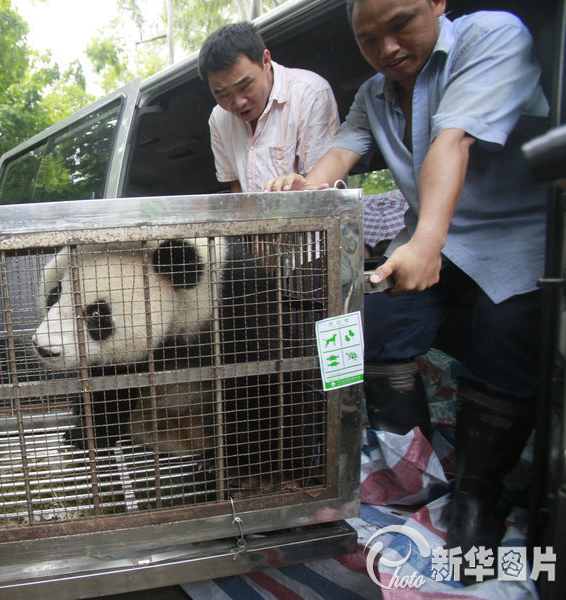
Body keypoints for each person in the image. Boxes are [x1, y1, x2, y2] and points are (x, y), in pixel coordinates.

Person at [265, 0, 549, 560]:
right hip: (427, 237)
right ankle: (409, 469)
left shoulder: (489, 36)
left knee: (507, 340)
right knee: (367, 328)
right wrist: (305, 186)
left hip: (512, 235)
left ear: (439, 4)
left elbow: (454, 140)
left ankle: (475, 493)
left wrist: (425, 242)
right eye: (369, 40)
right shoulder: (373, 93)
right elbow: (342, 151)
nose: (388, 48)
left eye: (401, 25)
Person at [197, 22, 340, 194]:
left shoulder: (310, 94)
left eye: (245, 86)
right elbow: (236, 188)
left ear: (265, 61)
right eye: (223, 95)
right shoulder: (219, 118)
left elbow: (321, 190)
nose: (238, 102)